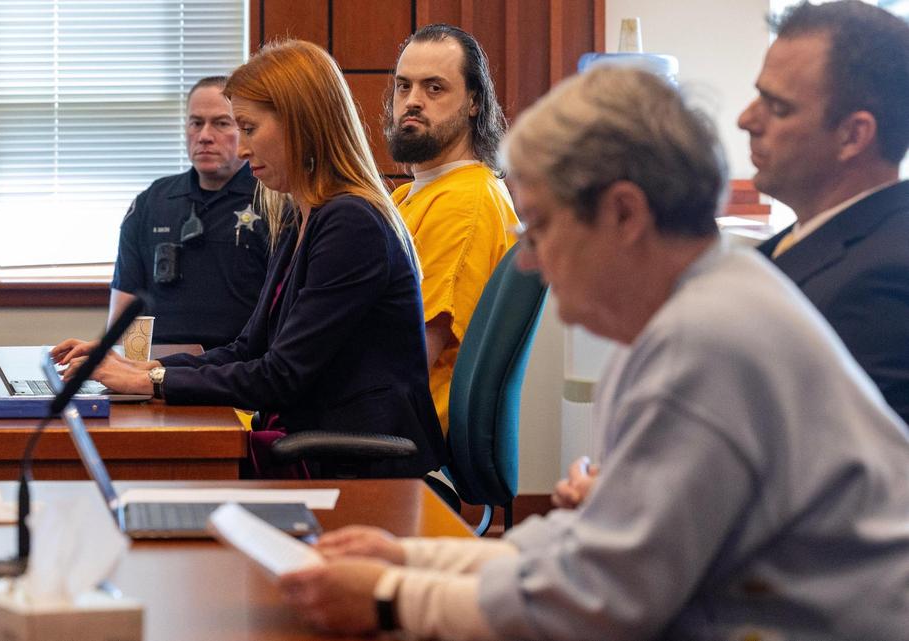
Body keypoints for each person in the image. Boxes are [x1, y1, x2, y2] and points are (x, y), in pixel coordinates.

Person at [276, 66, 909, 640]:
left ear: (624, 214)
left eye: (541, 228)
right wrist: (414, 557)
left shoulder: (705, 342)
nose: (529, 261)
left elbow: (601, 602)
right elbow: (596, 545)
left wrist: (390, 598)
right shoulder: (699, 307)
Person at [54, 40, 447, 479]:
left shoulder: (351, 224)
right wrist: (146, 367)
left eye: (249, 128)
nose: (242, 150)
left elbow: (281, 376)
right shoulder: (304, 216)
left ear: (299, 125)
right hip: (314, 447)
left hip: (357, 467)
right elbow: (249, 348)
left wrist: (150, 382)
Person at [741, 0, 909, 423]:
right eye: (757, 96)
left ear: (853, 136)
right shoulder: (794, 243)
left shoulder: (885, 279)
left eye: (777, 107)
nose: (746, 120)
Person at [386, 24, 519, 433]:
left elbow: (406, 361)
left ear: (474, 101)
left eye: (434, 88)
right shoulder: (409, 195)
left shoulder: (465, 202)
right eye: (404, 86)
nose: (412, 101)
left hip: (399, 435)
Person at [109, 76, 268, 349]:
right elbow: (122, 314)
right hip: (155, 363)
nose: (205, 136)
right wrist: (120, 365)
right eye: (196, 123)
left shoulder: (270, 201)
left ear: (244, 130)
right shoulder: (151, 202)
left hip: (238, 364)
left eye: (221, 123)